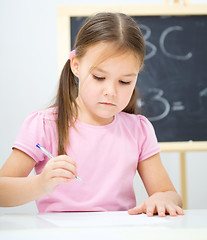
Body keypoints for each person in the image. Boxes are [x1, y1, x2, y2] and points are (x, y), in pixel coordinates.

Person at [0, 12, 184, 217]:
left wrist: (163, 198)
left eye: (125, 82)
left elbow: (169, 194)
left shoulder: (138, 129)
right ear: (76, 66)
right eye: (99, 77)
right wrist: (40, 184)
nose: (111, 91)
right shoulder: (43, 125)